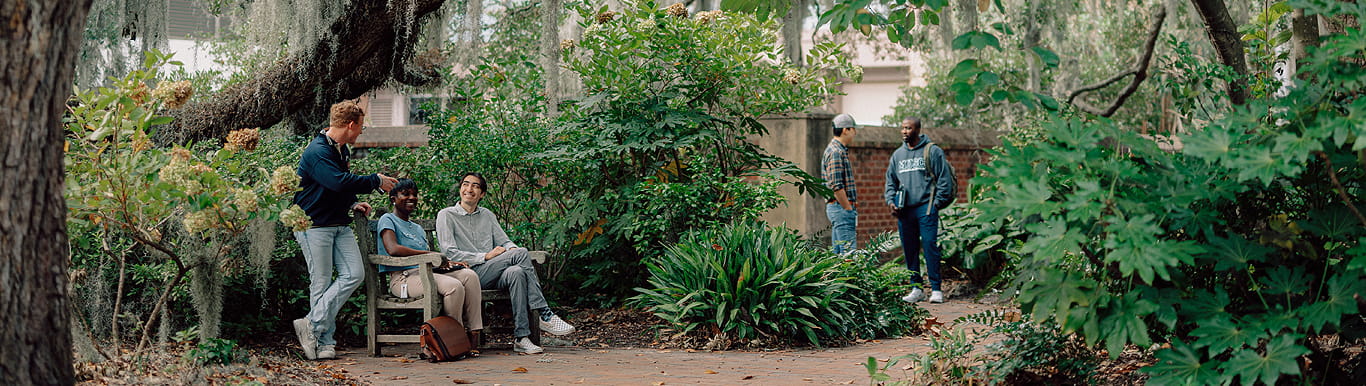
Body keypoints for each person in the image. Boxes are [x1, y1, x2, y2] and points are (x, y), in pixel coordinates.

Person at [292, 100, 399, 360]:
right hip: (313, 226)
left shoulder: (341, 150)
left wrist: (352, 202)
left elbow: (335, 188)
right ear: (350, 125)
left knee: (354, 274)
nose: (361, 132)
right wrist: (376, 180)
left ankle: (311, 325)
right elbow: (336, 182)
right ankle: (324, 342)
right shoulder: (317, 151)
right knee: (320, 282)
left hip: (339, 224)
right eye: (360, 127)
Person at [436, 172, 575, 354]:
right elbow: (449, 252)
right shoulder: (447, 215)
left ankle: (521, 338)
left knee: (517, 271)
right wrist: (485, 256)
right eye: (465, 184)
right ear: (461, 188)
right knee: (520, 255)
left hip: (492, 272)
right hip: (467, 274)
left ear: (482, 194)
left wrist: (511, 250)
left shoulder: (487, 215)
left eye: (475, 186)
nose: (469, 189)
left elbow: (505, 241)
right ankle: (544, 313)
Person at [376, 178, 484, 355]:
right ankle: (453, 340)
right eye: (405, 194)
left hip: (426, 274)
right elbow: (393, 249)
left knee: (469, 276)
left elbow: (431, 260)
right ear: (393, 198)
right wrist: (431, 255)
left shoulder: (417, 228)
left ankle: (473, 337)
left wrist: (450, 264)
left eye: (414, 195)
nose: (411, 197)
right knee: (453, 287)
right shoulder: (387, 219)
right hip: (402, 279)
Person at [884, 117, 953, 304]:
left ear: (918, 129)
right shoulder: (897, 155)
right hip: (905, 210)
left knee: (930, 245)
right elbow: (891, 182)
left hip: (926, 207)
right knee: (910, 249)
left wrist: (937, 203)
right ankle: (916, 288)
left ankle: (936, 289)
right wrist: (891, 201)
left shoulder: (933, 151)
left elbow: (944, 179)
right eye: (903, 128)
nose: (905, 131)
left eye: (909, 128)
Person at [822, 113, 859, 254]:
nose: (855, 133)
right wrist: (848, 209)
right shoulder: (836, 152)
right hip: (841, 209)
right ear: (845, 130)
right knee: (849, 255)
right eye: (853, 129)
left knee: (839, 255)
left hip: (838, 208)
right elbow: (836, 186)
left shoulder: (837, 150)